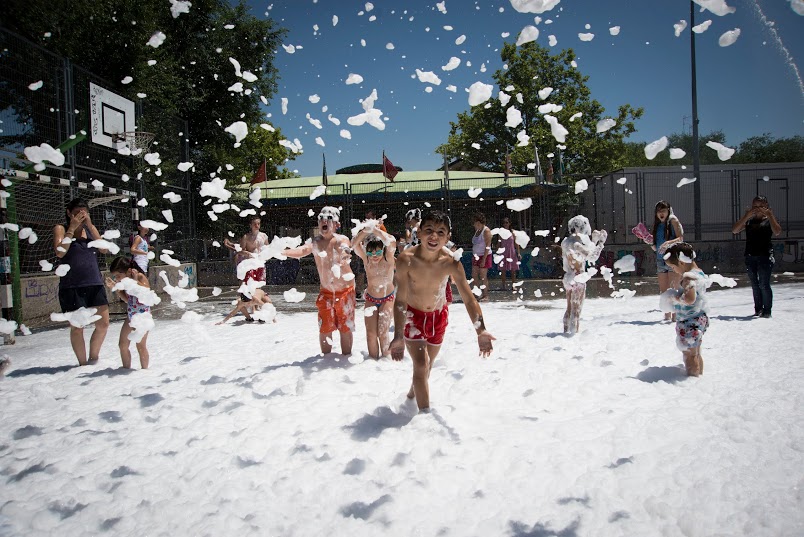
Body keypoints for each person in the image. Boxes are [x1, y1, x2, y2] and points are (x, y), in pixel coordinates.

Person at [390, 210, 495, 411]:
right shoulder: (406, 259)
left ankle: (412, 395)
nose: (434, 236)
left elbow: (469, 299)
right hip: (413, 317)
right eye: (429, 230)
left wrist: (481, 330)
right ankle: (425, 418)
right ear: (419, 232)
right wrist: (398, 335)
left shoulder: (450, 262)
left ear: (447, 237)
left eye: (440, 232)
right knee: (421, 365)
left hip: (438, 317)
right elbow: (401, 299)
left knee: (427, 366)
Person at [282, 206, 356, 355]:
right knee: (325, 328)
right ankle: (325, 360)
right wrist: (281, 252)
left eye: (329, 218)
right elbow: (302, 251)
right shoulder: (315, 242)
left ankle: (346, 358)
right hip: (326, 292)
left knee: (345, 328)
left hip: (345, 291)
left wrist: (345, 256)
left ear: (337, 224)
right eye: (321, 218)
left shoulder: (341, 240)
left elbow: (345, 249)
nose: (324, 221)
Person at [52, 198, 110, 366]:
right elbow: (60, 252)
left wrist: (89, 225)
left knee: (103, 324)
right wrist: (71, 228)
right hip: (72, 286)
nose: (80, 216)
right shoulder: (61, 228)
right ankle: (82, 364)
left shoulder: (90, 230)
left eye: (84, 213)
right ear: (69, 213)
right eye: (77, 213)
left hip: (94, 283)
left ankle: (94, 358)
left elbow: (104, 249)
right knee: (78, 328)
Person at [662, 243, 709, 377]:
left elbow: (689, 299)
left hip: (689, 321)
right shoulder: (699, 272)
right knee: (696, 352)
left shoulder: (688, 278)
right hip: (699, 317)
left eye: (673, 267)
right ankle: (699, 375)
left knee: (689, 354)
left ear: (682, 262)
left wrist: (674, 298)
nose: (674, 270)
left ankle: (692, 379)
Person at [731, 195, 782, 318]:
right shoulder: (749, 221)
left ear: (766, 206)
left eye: (761, 206)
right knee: (755, 284)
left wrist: (770, 215)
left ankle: (767, 311)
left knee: (764, 284)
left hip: (765, 256)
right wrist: (746, 216)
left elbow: (777, 231)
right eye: (755, 206)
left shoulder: (769, 220)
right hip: (750, 256)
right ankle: (758, 309)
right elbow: (735, 230)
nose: (758, 209)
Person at [352, 223, 397, 359]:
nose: (374, 256)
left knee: (383, 332)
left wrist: (376, 230)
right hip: (371, 299)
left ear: (383, 249)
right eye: (370, 252)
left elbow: (392, 241)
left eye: (378, 252)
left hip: (387, 299)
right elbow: (354, 244)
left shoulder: (388, 258)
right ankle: (372, 361)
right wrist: (365, 231)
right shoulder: (366, 259)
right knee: (371, 334)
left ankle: (387, 360)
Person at [561, 215, 607, 335]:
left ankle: (565, 332)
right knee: (576, 309)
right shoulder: (577, 244)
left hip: (568, 277)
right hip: (578, 278)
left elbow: (585, 253)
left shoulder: (566, 242)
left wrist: (593, 241)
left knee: (569, 308)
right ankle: (573, 334)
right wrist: (601, 243)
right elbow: (592, 257)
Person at [104, 257, 152, 369]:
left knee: (140, 345)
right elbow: (127, 300)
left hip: (143, 317)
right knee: (123, 345)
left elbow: (147, 292)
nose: (117, 278)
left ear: (129, 271)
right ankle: (125, 370)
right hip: (131, 317)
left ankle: (145, 372)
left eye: (118, 275)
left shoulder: (140, 276)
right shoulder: (125, 282)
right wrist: (116, 288)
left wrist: (135, 281)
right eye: (115, 276)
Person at [640, 201, 684, 321]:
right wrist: (649, 242)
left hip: (673, 259)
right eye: (659, 211)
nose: (661, 213)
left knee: (674, 289)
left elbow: (680, 238)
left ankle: (675, 316)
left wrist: (668, 243)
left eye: (663, 210)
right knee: (664, 291)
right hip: (660, 260)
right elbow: (657, 247)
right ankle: (667, 315)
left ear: (668, 211)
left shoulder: (673, 221)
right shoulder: (658, 225)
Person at [353, 210, 388, 299]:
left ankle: (380, 289)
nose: (367, 219)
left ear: (374, 217)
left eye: (369, 217)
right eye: (366, 217)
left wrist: (376, 228)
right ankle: (358, 291)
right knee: (361, 272)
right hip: (366, 252)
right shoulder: (364, 226)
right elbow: (357, 240)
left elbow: (386, 239)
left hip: (378, 253)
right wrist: (359, 251)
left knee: (378, 271)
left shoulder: (380, 226)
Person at [225, 215, 268, 284]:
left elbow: (268, 249)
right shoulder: (246, 237)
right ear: (250, 225)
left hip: (260, 263)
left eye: (258, 224)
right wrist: (247, 254)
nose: (257, 226)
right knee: (249, 284)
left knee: (259, 284)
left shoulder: (264, 236)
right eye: (254, 224)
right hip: (250, 264)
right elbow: (240, 251)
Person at [471, 212, 492, 301]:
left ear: (478, 222)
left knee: (483, 276)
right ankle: (476, 294)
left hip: (484, 255)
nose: (473, 224)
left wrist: (484, 259)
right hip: (476, 255)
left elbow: (488, 246)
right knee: (474, 275)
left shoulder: (486, 231)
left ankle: (485, 295)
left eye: (474, 222)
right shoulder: (477, 230)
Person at [496, 217, 521, 290]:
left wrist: (518, 253)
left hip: (511, 253)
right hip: (503, 253)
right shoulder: (501, 233)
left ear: (509, 223)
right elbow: (499, 243)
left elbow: (516, 243)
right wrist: (497, 252)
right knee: (503, 270)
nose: (505, 224)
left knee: (513, 270)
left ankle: (513, 285)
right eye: (504, 223)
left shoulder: (513, 232)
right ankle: (503, 285)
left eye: (506, 222)